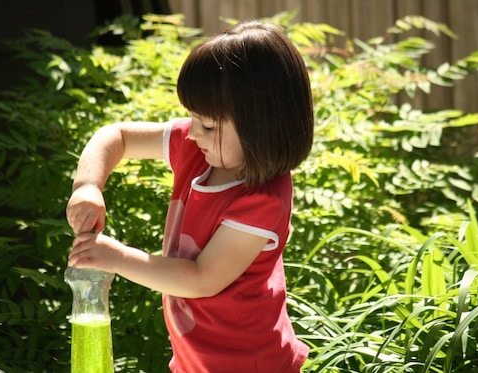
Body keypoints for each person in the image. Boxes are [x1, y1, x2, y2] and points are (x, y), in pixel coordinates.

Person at [66, 19, 314, 373]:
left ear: (262, 125)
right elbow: (116, 136)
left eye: (209, 125)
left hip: (248, 364)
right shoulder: (200, 149)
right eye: (192, 118)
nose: (193, 132)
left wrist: (118, 258)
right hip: (196, 360)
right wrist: (88, 186)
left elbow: (201, 278)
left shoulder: (262, 199)